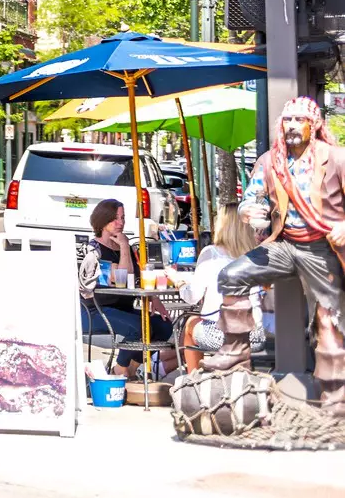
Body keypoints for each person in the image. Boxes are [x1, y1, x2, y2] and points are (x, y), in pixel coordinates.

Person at [221, 96, 345, 415]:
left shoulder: (336, 159)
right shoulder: (269, 161)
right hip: (284, 243)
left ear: (313, 125)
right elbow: (251, 197)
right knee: (231, 276)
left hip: (322, 247)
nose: (291, 127)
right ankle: (235, 354)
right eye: (287, 121)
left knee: (328, 317)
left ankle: (335, 396)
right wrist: (250, 210)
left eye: (298, 121)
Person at [78, 198, 174, 374]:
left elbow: (137, 278)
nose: (120, 223)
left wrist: (155, 300)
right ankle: (120, 372)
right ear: (103, 219)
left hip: (122, 308)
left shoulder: (126, 248)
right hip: (97, 309)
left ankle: (130, 369)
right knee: (138, 327)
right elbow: (122, 278)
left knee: (163, 325)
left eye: (122, 218)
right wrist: (123, 245)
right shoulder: (95, 250)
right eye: (115, 218)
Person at [180, 206, 257, 373]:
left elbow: (192, 297)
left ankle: (193, 380)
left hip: (221, 334)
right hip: (258, 335)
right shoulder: (258, 257)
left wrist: (179, 283)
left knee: (190, 323)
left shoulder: (211, 257)